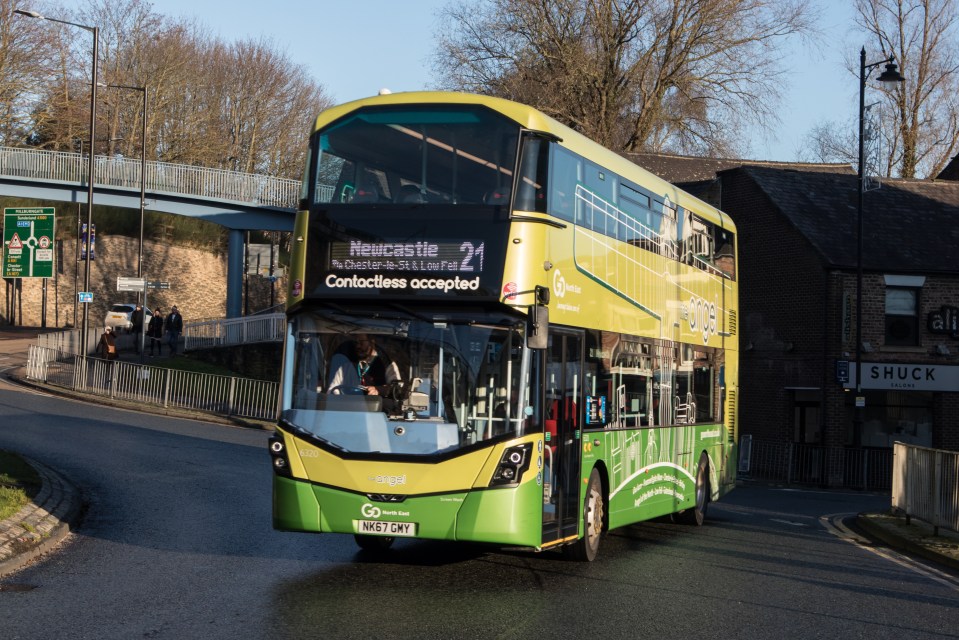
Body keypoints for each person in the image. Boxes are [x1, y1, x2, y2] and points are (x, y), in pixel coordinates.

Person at [327, 333, 400, 396]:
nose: (358, 346)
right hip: (349, 409)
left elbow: (396, 388)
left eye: (361, 342)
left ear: (372, 342)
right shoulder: (346, 366)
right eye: (356, 343)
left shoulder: (386, 364)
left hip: (376, 410)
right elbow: (332, 390)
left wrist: (378, 390)